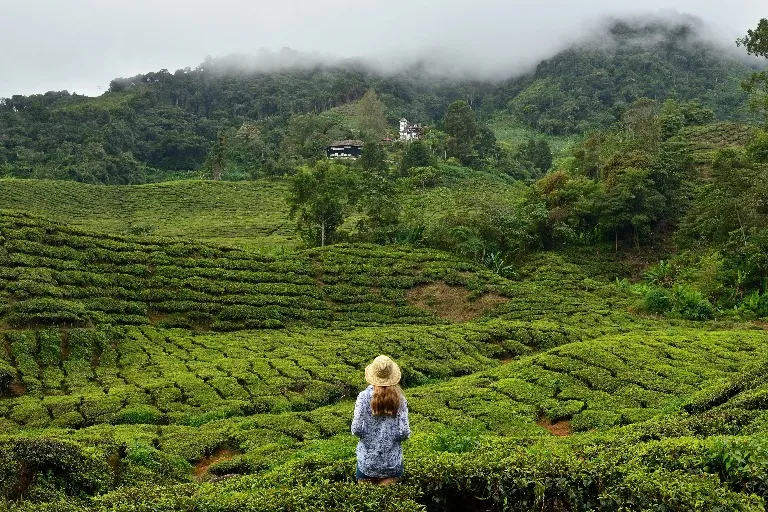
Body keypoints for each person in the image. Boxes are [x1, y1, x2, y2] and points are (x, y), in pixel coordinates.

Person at [351, 355, 411, 485]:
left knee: (366, 502)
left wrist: (368, 437)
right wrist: (390, 439)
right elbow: (405, 432)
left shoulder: (363, 397)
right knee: (387, 503)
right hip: (391, 463)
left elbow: (355, 429)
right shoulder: (400, 399)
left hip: (367, 462)